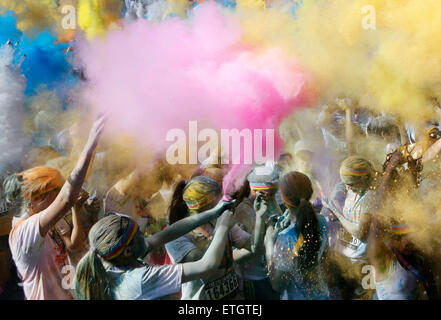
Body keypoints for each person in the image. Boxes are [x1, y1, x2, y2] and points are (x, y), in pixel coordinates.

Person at [7, 115, 106, 300]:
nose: (60, 193)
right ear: (39, 196)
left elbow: (74, 244)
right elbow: (67, 197)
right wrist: (90, 143)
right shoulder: (23, 231)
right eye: (57, 190)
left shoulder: (47, 218)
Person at [74, 209, 235, 300]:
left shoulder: (109, 261)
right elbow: (207, 265)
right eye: (139, 234)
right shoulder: (142, 279)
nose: (144, 235)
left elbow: (168, 233)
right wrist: (223, 226)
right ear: (128, 250)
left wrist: (214, 211)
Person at [165, 176, 267, 300]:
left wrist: (260, 217)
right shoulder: (176, 235)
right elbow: (205, 265)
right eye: (220, 201)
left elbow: (255, 248)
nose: (223, 203)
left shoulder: (221, 221)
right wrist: (222, 229)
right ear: (209, 205)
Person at [265, 171, 329, 300]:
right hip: (322, 295)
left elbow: (278, 285)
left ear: (282, 197)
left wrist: (269, 243)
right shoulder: (321, 220)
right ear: (310, 194)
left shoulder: (286, 236)